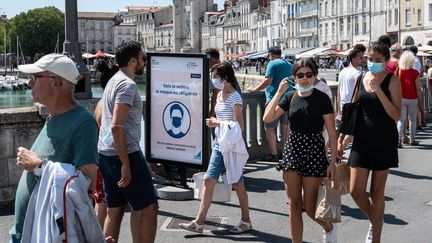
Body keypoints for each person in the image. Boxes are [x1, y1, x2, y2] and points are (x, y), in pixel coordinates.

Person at [10, 53, 99, 243]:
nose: (29, 83)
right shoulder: (54, 117)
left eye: (35, 77)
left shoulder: (83, 122)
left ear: (56, 83)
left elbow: (87, 187)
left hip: (49, 234)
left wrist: (38, 166)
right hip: (31, 232)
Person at [263, 58, 337, 243]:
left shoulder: (322, 99)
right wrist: (279, 92)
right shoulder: (290, 97)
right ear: (294, 78)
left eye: (309, 75)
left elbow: (332, 133)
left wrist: (332, 162)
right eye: (300, 75)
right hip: (292, 151)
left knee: (310, 208)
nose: (305, 79)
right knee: (294, 204)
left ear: (314, 76)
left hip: (314, 152)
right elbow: (267, 118)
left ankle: (328, 227)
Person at [338, 37, 401, 243]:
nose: (372, 62)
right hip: (362, 140)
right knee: (356, 191)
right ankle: (375, 222)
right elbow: (355, 108)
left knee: (376, 192)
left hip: (384, 140)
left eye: (377, 59)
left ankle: (376, 238)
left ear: (386, 60)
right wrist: (343, 136)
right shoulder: (361, 77)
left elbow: (396, 115)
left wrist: (379, 90)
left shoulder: (392, 80)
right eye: (370, 58)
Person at [179, 62, 252, 234]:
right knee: (210, 181)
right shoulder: (218, 94)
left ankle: (246, 221)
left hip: (230, 146)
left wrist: (216, 123)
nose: (214, 79)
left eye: (216, 76)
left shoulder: (235, 98)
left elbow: (239, 126)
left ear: (226, 78)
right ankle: (200, 221)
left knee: (236, 183)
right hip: (220, 144)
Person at [98, 41, 158, 243]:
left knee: (114, 210)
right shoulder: (127, 85)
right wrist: (125, 163)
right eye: (143, 58)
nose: (144, 63)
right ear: (133, 61)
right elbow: (117, 125)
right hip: (125, 154)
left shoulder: (113, 81)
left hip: (105, 154)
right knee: (149, 207)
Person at [248, 46, 292, 162]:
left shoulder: (272, 64)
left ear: (270, 54)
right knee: (286, 127)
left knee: (270, 127)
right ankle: (286, 153)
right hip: (287, 99)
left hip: (274, 100)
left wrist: (255, 90)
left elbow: (268, 81)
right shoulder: (289, 64)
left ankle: (274, 155)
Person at [94, 60, 119, 227]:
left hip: (98, 155)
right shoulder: (111, 106)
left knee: (100, 201)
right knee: (108, 206)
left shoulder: (100, 103)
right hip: (109, 158)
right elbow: (113, 133)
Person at [336, 46, 365, 135]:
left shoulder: (342, 71)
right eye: (360, 57)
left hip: (343, 105)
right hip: (352, 106)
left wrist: (338, 109)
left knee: (343, 132)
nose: (362, 59)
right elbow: (359, 92)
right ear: (353, 59)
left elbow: (338, 91)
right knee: (351, 133)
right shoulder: (358, 73)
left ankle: (339, 147)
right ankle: (339, 148)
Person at [396, 51, 422, 147]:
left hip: (401, 97)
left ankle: (398, 140)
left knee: (401, 120)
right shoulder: (415, 73)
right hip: (412, 98)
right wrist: (420, 100)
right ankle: (412, 140)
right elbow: (418, 88)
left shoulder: (399, 71)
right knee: (413, 120)